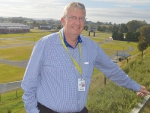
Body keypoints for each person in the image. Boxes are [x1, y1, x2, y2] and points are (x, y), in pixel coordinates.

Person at [21, 2, 150, 113]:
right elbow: (29, 83)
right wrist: (32, 111)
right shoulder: (45, 44)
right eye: (72, 17)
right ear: (63, 20)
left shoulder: (92, 47)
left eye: (81, 18)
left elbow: (112, 71)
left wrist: (136, 87)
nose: (77, 22)